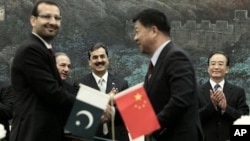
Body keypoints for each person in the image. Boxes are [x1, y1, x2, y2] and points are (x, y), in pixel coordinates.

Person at [132, 8, 203, 141]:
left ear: (153, 31)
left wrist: (151, 126)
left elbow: (180, 100)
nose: (135, 38)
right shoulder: (157, 62)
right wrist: (112, 113)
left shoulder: (175, 57)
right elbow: (147, 102)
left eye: (137, 31)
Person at [10, 1, 76, 141]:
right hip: (32, 135)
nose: (52, 22)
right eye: (46, 16)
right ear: (33, 20)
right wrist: (92, 107)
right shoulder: (31, 50)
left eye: (57, 18)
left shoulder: (43, 50)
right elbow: (53, 92)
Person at [75, 42, 129, 141]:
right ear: (89, 61)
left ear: (108, 59)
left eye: (102, 56)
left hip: (118, 137)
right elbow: (80, 117)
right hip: (91, 138)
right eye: (95, 57)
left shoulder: (122, 84)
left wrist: (112, 112)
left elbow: (128, 113)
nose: (99, 60)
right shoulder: (80, 85)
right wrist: (106, 100)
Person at [198, 51, 249, 141]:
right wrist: (212, 105)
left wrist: (226, 108)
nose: (216, 67)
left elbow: (243, 119)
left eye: (220, 64)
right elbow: (192, 119)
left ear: (227, 69)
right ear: (208, 68)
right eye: (213, 64)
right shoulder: (196, 92)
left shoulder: (238, 92)